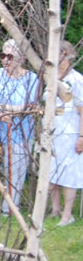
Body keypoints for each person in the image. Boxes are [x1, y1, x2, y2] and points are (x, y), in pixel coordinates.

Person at [0, 39, 39, 215]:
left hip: (20, 134)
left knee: (16, 173)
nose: (5, 60)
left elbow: (32, 106)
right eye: (3, 55)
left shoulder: (32, 79)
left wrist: (11, 113)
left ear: (21, 59)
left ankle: (9, 210)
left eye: (10, 56)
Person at [48, 40, 83, 227]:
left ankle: (67, 215)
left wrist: (81, 137)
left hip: (71, 130)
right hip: (53, 129)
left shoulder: (77, 80)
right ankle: (55, 209)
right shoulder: (51, 78)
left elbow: (82, 109)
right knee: (52, 170)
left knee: (69, 172)